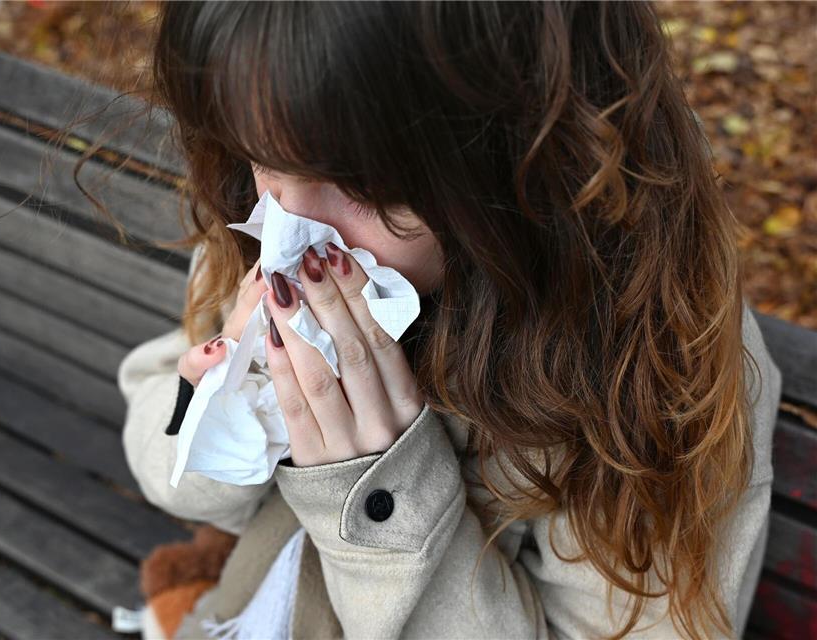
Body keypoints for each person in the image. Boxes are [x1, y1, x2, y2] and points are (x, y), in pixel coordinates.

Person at [116, 2, 783, 638]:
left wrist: (377, 492)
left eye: (366, 186)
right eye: (258, 156)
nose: (292, 230)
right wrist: (229, 405)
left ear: (528, 156)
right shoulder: (267, 234)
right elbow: (167, 468)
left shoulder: (654, 369)